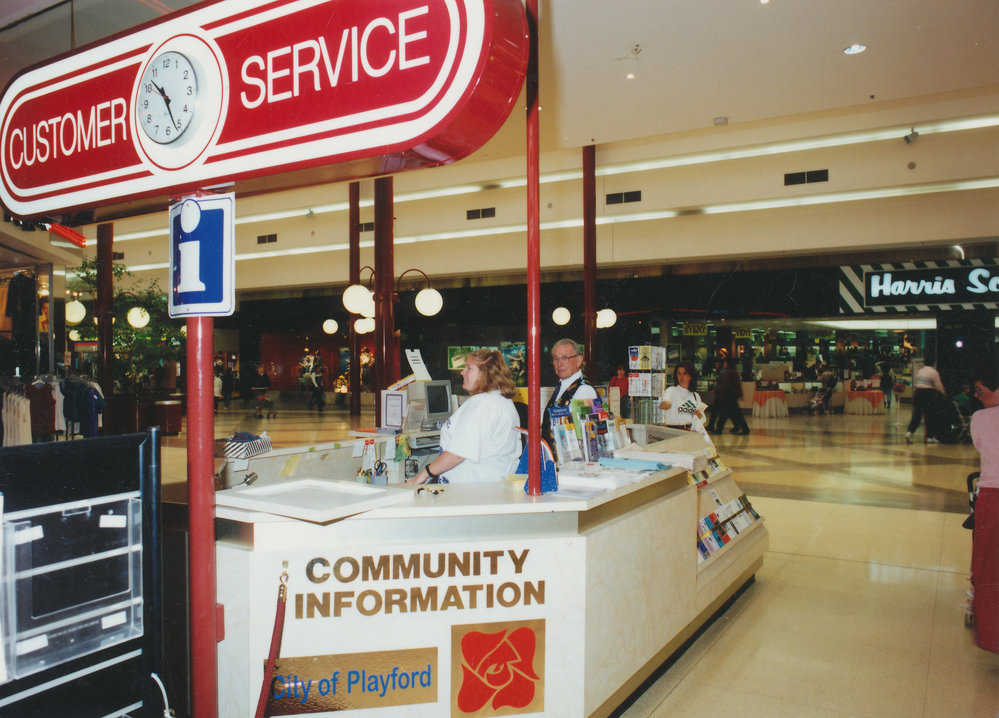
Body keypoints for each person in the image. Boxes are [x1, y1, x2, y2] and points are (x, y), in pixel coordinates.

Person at [406, 349, 521, 485]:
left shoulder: (483, 405)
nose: (462, 372)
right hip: (491, 487)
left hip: (474, 493)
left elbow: (458, 454)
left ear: (485, 374)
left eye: (468, 368)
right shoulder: (500, 400)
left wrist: (422, 476)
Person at [970, 362, 999, 652]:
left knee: (989, 569)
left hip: (992, 496)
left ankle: (993, 636)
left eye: (982, 391)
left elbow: (981, 446)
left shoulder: (980, 418)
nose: (978, 396)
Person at [541, 339, 598, 447]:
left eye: (565, 358)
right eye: (556, 358)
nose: (559, 363)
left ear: (579, 360)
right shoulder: (562, 386)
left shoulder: (584, 390)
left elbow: (584, 437)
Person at [906, 352, 945, 443]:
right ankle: (930, 437)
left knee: (917, 415)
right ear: (933, 363)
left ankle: (909, 432)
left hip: (918, 392)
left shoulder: (921, 371)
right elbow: (938, 385)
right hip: (928, 394)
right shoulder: (933, 372)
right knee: (930, 415)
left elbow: (916, 380)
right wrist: (943, 393)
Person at [658, 360, 704, 430]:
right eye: (679, 373)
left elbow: (702, 419)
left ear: (691, 376)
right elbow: (665, 402)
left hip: (690, 432)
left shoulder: (695, 396)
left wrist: (699, 415)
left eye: (684, 373)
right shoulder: (671, 390)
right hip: (674, 431)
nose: (681, 376)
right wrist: (666, 404)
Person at [711, 360, 749, 435]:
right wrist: (740, 394)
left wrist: (717, 390)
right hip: (732, 396)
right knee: (735, 414)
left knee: (725, 414)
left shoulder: (728, 373)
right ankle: (743, 428)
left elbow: (724, 385)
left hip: (728, 396)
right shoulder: (734, 372)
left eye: (725, 363)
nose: (724, 364)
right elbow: (738, 384)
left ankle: (720, 429)